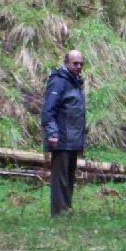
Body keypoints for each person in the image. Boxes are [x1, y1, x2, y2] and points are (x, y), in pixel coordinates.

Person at [41, 49, 87, 217]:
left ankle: (67, 208)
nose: (79, 66)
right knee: (60, 177)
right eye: (75, 63)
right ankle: (59, 212)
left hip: (73, 139)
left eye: (81, 63)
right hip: (61, 138)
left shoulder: (76, 82)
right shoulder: (59, 82)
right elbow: (48, 110)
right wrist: (52, 133)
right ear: (67, 63)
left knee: (69, 176)